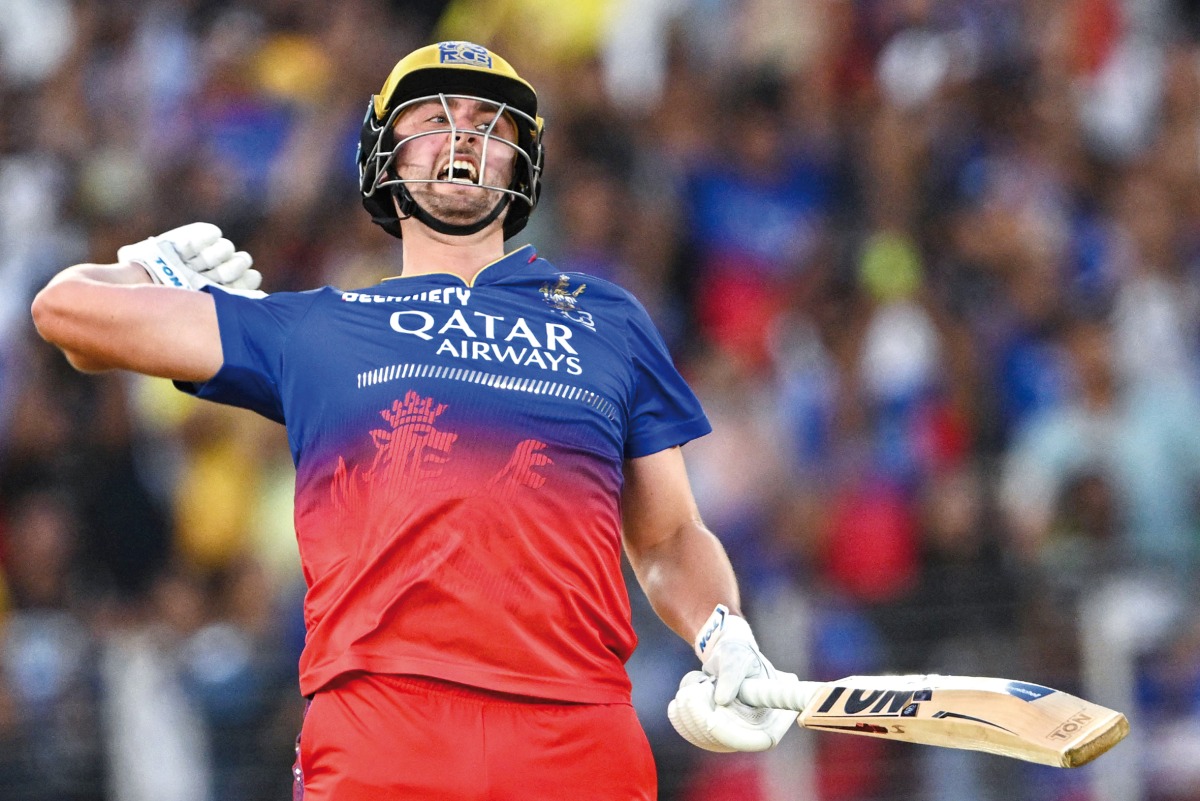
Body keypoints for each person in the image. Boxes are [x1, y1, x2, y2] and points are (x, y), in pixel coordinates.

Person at [31, 41, 797, 800]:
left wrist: (724, 635)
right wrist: (146, 263)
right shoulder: (315, 325)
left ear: (519, 165)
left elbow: (665, 536)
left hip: (578, 730)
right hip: (379, 728)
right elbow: (65, 312)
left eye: (489, 124)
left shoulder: (609, 320)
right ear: (385, 157)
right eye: (432, 118)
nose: (464, 138)